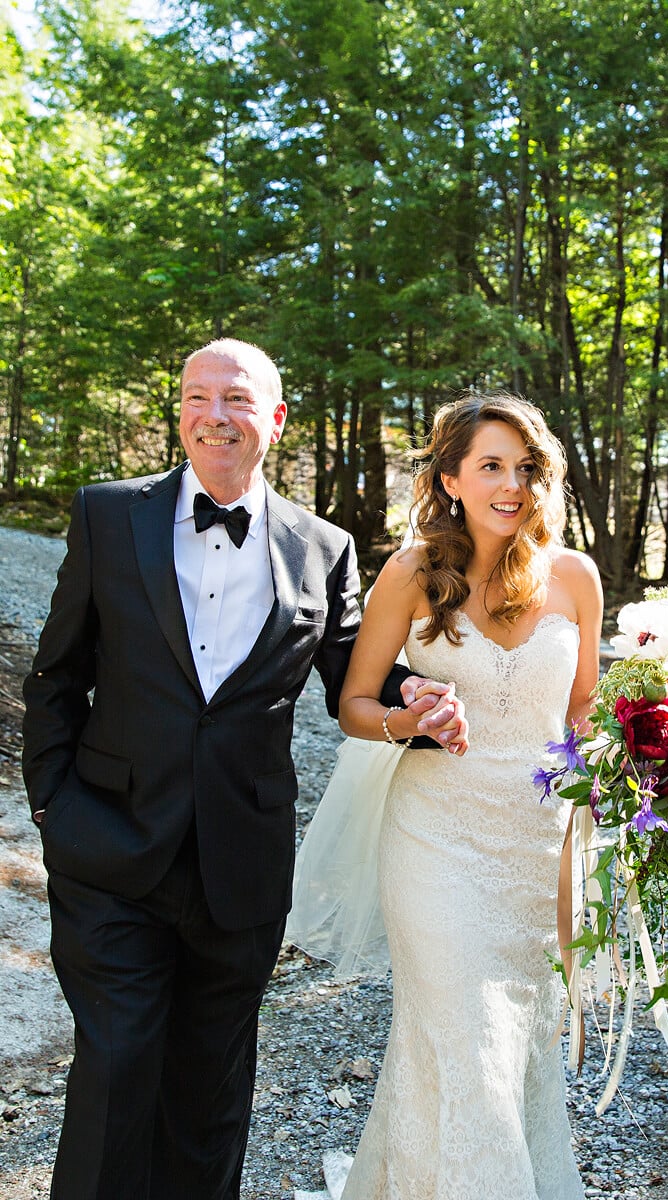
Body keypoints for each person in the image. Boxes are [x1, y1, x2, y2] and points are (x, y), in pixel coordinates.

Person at [20, 337, 467, 1200]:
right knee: (115, 1072)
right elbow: (56, 677)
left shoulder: (324, 546)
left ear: (276, 418)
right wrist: (54, 811)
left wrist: (427, 701)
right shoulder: (108, 515)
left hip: (241, 865)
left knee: (211, 1090)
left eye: (234, 398)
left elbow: (353, 674)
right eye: (196, 397)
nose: (212, 415)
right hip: (110, 851)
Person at [304, 389, 603, 1199]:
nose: (512, 484)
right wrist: (409, 717)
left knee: (508, 1048)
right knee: (464, 1035)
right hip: (436, 840)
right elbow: (354, 705)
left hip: (536, 851)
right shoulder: (410, 575)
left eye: (527, 467)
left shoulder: (576, 578)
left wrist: (635, 755)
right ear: (450, 480)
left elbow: (583, 713)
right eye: (492, 466)